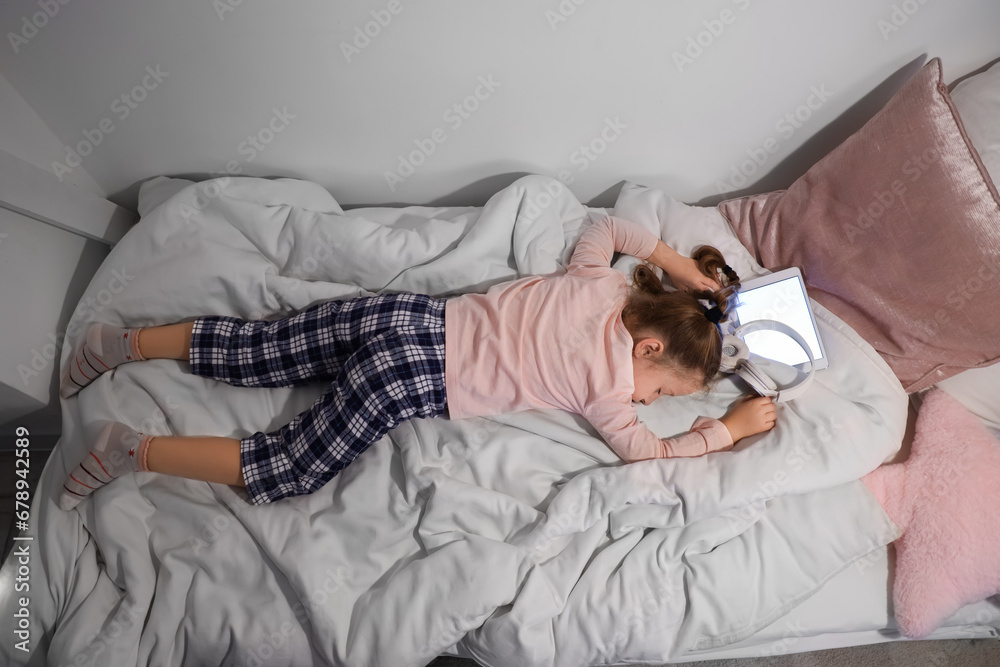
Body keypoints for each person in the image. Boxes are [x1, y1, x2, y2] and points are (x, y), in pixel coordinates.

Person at [57, 215, 776, 510]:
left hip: (404, 315)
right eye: (659, 388)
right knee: (289, 465)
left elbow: (608, 226)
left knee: (260, 345)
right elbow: (646, 454)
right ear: (647, 350)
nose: (647, 401)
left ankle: (118, 345)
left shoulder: (598, 281)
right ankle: (132, 450)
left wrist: (683, 268)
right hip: (411, 380)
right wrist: (731, 430)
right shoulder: (607, 391)